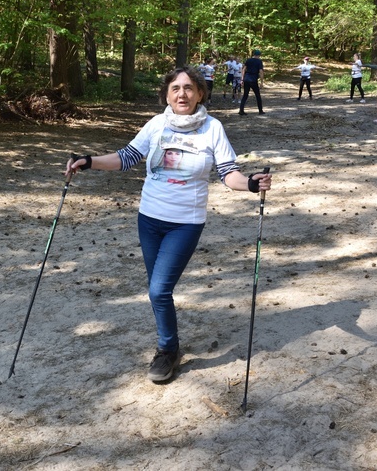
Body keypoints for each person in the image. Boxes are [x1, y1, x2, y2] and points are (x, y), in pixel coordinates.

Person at [65, 66, 272, 383]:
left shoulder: (212, 129)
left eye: (189, 88)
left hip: (185, 223)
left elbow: (229, 174)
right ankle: (169, 346)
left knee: (159, 290)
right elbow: (126, 157)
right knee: (157, 291)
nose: (182, 94)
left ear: (200, 94)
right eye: (176, 88)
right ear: (167, 94)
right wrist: (89, 160)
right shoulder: (157, 125)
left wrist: (252, 184)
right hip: (148, 219)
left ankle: (167, 350)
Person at [239, 49, 265, 115]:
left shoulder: (248, 60)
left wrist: (242, 79)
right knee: (257, 95)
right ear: (259, 55)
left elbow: (244, 69)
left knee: (245, 95)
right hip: (253, 79)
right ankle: (260, 110)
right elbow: (261, 71)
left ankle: (241, 110)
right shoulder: (259, 61)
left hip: (246, 79)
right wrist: (262, 82)